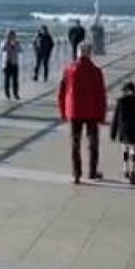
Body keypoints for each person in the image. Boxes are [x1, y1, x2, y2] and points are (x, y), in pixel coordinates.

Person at [57, 42, 107, 183]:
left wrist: (63, 111)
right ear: (90, 53)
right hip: (91, 110)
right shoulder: (96, 71)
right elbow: (101, 95)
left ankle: (76, 173)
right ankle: (92, 171)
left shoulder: (69, 69)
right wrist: (102, 115)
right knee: (93, 142)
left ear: (78, 53)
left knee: (75, 142)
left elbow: (61, 92)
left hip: (74, 110)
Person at [110, 81, 135, 184]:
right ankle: (133, 171)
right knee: (134, 150)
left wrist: (113, 133)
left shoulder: (121, 102)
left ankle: (125, 168)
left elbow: (115, 119)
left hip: (124, 130)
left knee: (125, 149)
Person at [0, 29, 22, 100]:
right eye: (9, 35)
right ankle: (7, 94)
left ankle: (15, 93)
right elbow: (3, 49)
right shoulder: (4, 42)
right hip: (6, 63)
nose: (11, 37)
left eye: (13, 35)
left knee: (15, 80)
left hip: (14, 63)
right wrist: (8, 43)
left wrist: (15, 44)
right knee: (7, 80)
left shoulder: (16, 43)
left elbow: (20, 50)